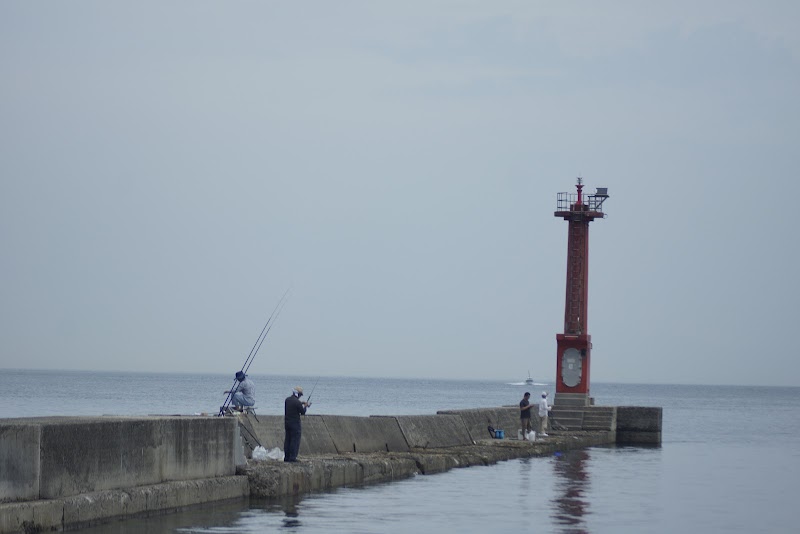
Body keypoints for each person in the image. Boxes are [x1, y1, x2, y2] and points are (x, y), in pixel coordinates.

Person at [284, 386, 311, 462]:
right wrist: (305, 406)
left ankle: (286, 457)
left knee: (288, 440)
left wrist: (301, 402)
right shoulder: (297, 403)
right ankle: (292, 458)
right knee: (294, 440)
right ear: (298, 394)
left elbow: (294, 405)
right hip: (295, 424)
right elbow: (302, 412)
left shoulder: (287, 400)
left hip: (287, 423)